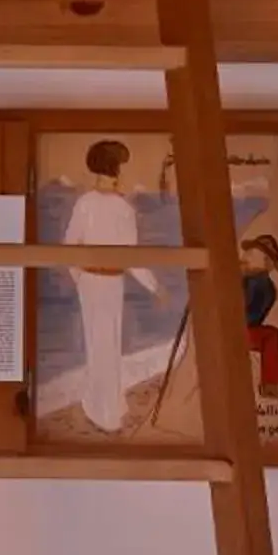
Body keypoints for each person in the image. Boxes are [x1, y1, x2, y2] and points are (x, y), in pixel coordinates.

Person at [65, 139, 159, 434]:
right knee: (107, 343)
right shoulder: (121, 208)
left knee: (100, 344)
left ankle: (104, 406)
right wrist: (155, 287)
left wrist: (80, 277)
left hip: (92, 283)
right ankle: (106, 413)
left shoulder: (84, 203)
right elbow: (131, 256)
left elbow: (70, 246)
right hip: (109, 282)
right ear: (116, 169)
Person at [240, 231, 278, 396]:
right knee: (272, 336)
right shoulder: (242, 279)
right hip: (227, 328)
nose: (246, 256)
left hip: (238, 329)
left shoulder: (262, 286)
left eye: (253, 253)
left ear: (266, 262)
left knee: (272, 336)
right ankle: (270, 387)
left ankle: (270, 387)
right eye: (248, 252)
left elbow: (249, 316)